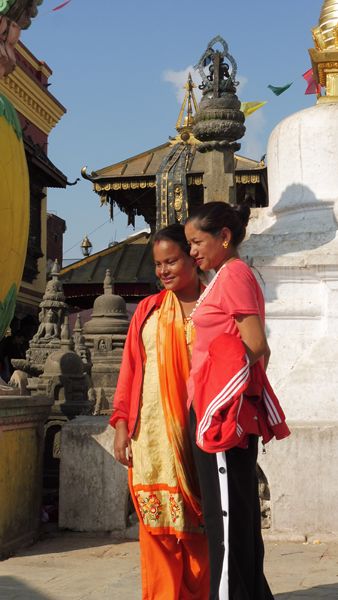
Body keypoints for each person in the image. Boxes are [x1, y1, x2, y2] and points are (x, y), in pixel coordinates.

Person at [184, 202, 290, 600]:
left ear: (223, 237)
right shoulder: (224, 277)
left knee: (226, 520)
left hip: (223, 415)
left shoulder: (233, 276)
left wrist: (219, 401)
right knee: (235, 516)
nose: (192, 250)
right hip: (218, 410)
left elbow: (256, 345)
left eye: (197, 242)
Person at [111, 224, 209, 600]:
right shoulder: (148, 312)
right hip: (151, 438)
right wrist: (121, 426)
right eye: (157, 264)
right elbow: (130, 372)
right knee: (157, 530)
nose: (164, 270)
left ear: (193, 257)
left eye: (172, 261)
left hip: (198, 434)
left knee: (201, 531)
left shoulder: (213, 306)